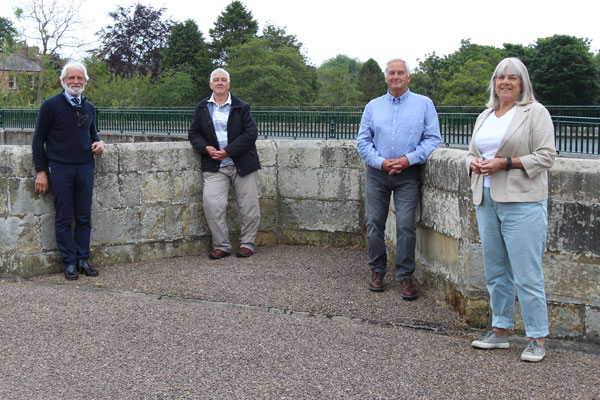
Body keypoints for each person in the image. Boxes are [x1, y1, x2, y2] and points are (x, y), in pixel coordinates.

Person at [466, 58, 556, 362]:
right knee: (495, 270)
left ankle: (537, 337)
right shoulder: (485, 115)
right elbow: (470, 154)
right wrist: (474, 164)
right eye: (500, 77)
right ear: (494, 82)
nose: (505, 82)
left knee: (527, 274)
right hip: (487, 199)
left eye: (512, 78)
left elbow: (546, 156)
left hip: (522, 202)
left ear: (522, 83)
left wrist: (504, 163)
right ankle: (500, 330)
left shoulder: (535, 113)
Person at [357, 58, 442, 299]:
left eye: (400, 73)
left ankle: (405, 276)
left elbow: (433, 138)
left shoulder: (424, 104)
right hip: (377, 173)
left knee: (405, 225)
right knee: (374, 223)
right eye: (392, 73)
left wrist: (409, 159)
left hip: (408, 173)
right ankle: (377, 271)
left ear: (409, 77)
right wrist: (381, 162)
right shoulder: (372, 106)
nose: (396, 76)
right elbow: (363, 141)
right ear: (386, 77)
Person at [32, 61, 105, 280]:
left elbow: (93, 134)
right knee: (63, 217)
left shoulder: (89, 108)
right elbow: (38, 141)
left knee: (84, 217)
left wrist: (99, 142)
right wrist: (41, 171)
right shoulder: (50, 105)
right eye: (71, 78)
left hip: (85, 167)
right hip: (60, 168)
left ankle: (83, 259)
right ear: (63, 81)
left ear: (85, 82)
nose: (76, 82)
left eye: (79, 78)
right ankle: (69, 262)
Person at [188, 68, 261, 259]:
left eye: (223, 80)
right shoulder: (202, 107)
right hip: (215, 165)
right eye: (216, 80)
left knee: (249, 205)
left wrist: (229, 151)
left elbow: (251, 133)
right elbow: (193, 133)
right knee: (212, 204)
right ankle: (221, 246)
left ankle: (247, 244)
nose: (219, 83)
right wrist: (206, 148)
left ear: (228, 84)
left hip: (242, 163)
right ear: (211, 84)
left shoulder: (241, 106)